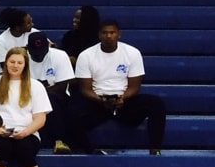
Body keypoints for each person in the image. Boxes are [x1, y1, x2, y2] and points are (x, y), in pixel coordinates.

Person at [69, 20, 167, 155]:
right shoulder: (86, 55)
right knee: (72, 108)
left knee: (156, 104)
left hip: (125, 102)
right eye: (105, 33)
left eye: (112, 32)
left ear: (119, 35)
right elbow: (85, 89)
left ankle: (155, 149)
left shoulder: (132, 53)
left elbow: (135, 86)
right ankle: (90, 150)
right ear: (99, 35)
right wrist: (102, 100)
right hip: (97, 102)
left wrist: (122, 98)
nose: (108, 36)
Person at [24, 32, 75, 151]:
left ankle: (59, 141)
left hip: (57, 97)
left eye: (42, 52)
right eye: (35, 53)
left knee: (51, 98)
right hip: (27, 96)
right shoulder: (22, 59)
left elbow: (63, 85)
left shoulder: (60, 55)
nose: (39, 56)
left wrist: (40, 91)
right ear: (28, 49)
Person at [0, 8, 36, 75]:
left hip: (31, 70)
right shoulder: (1, 40)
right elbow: (4, 66)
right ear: (17, 28)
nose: (32, 24)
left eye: (31, 21)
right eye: (28, 24)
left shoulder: (35, 33)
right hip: (7, 72)